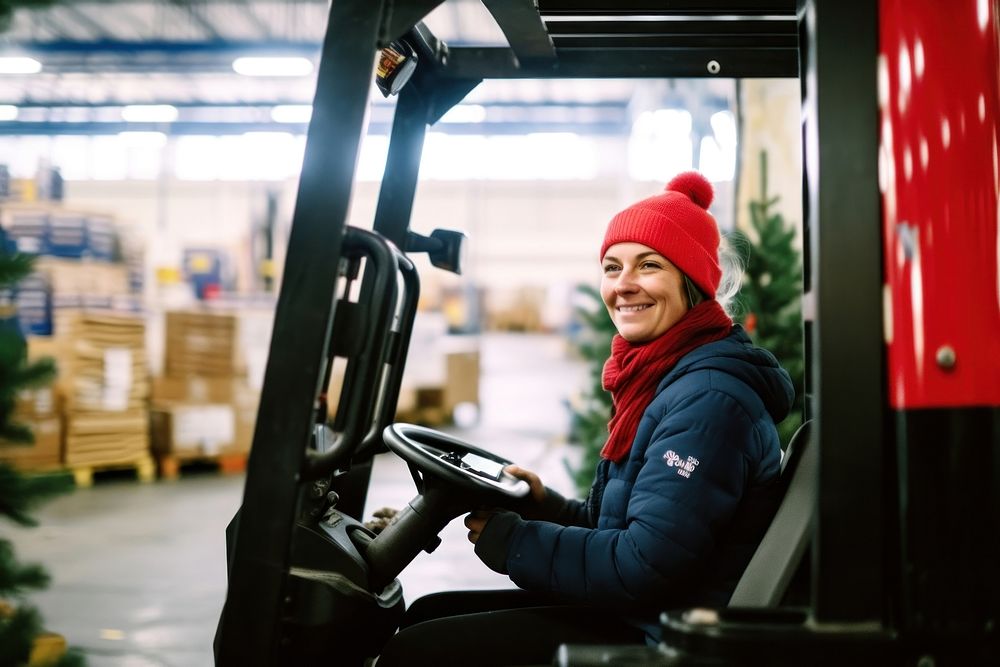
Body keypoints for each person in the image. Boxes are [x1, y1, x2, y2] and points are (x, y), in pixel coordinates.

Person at [375, 171, 794, 665]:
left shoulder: (709, 402)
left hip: (661, 638)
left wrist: (514, 541)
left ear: (691, 283)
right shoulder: (664, 378)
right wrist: (542, 504)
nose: (624, 285)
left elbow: (642, 565)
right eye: (612, 267)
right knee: (428, 614)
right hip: (641, 613)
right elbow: (618, 528)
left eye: (649, 265)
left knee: (418, 652)